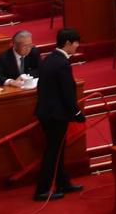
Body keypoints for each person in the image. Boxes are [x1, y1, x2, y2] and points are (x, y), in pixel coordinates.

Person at [33, 29, 84, 201]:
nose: (78, 46)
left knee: (58, 151)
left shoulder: (50, 58)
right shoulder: (62, 63)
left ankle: (63, 183)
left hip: (47, 113)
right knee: (53, 153)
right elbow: (67, 92)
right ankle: (42, 190)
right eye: (76, 43)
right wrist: (76, 112)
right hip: (55, 116)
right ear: (68, 43)